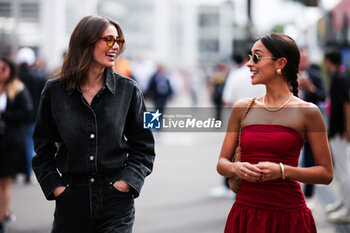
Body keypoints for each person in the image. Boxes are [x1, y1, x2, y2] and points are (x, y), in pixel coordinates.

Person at [32, 15, 155, 233]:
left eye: (118, 41)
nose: (115, 46)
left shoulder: (129, 90)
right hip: (71, 200)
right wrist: (56, 186)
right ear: (86, 42)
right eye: (108, 40)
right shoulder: (54, 91)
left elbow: (144, 146)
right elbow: (42, 148)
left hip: (116, 202)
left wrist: (127, 182)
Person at [217, 33, 333, 233]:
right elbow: (222, 164)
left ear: (280, 63)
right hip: (245, 214)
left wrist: (282, 171)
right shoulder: (242, 108)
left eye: (256, 57)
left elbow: (325, 173)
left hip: (289, 217)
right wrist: (237, 169)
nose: (249, 64)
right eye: (249, 56)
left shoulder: (308, 112)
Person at [0, 57, 33, 233]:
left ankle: (2, 217)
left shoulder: (17, 88)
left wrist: (4, 115)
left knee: (4, 182)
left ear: (10, 70)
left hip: (9, 141)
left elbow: (27, 113)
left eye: (3, 68)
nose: (0, 71)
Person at [323, 48, 350, 222]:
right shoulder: (339, 76)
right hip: (337, 129)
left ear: (328, 61)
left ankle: (348, 209)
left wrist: (347, 129)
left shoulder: (339, 78)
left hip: (340, 131)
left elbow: (347, 104)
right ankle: (343, 202)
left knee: (344, 170)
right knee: (341, 169)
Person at [298, 48, 326, 209]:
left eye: (305, 59)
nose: (303, 62)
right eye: (300, 59)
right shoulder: (286, 75)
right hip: (292, 121)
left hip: (311, 123)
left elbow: (322, 96)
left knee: (310, 158)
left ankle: (309, 195)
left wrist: (310, 88)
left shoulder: (315, 75)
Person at [16, 47, 47, 184]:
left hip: (17, 117)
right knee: (31, 145)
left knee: (20, 144)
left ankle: (19, 171)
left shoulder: (15, 78)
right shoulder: (39, 77)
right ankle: (30, 172)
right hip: (35, 116)